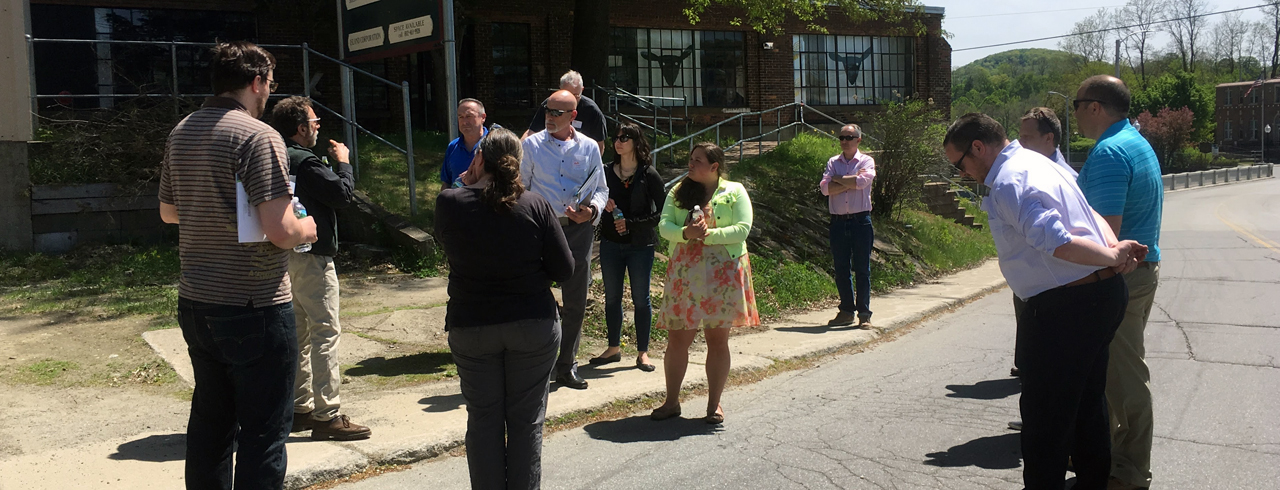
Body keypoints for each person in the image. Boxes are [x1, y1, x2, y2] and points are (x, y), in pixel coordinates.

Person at [944, 112, 1147, 490]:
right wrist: (1113, 248)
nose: (962, 174)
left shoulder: (1007, 182)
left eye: (960, 164)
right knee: (1087, 405)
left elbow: (1056, 241)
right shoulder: (1041, 162)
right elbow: (1091, 214)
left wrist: (1111, 256)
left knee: (1045, 419)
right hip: (1098, 297)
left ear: (978, 147)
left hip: (1066, 306)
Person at [158, 41, 317, 489]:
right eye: (270, 83)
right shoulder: (258, 135)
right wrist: (308, 229)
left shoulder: (183, 130)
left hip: (196, 301)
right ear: (256, 82)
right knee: (264, 434)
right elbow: (282, 230)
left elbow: (169, 211)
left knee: (210, 425)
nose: (270, 92)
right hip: (255, 304)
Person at [435, 127, 574, 490]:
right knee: (526, 422)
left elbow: (448, 245)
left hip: (472, 324)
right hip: (532, 322)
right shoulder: (536, 205)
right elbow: (565, 269)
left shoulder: (451, 202)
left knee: (483, 420)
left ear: (479, 158)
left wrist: (464, 183)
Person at [1074, 75, 1163, 490]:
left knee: (1125, 379)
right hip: (1139, 273)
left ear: (1095, 107)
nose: (1073, 114)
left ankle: (1128, 474)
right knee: (1114, 373)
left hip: (1121, 276)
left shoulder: (1110, 152)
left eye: (1077, 105)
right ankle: (1110, 463)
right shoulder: (1134, 142)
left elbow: (1106, 234)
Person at [265, 96, 370, 441]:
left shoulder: (275, 156)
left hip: (284, 254)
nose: (318, 126)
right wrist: (344, 162)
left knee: (298, 333)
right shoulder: (307, 162)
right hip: (313, 257)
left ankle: (299, 408)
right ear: (300, 128)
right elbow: (342, 194)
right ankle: (328, 414)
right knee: (325, 331)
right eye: (314, 122)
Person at [650, 142, 760, 425]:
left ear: (714, 167)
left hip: (723, 276)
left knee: (717, 340)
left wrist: (706, 235)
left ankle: (714, 405)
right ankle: (671, 402)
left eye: (697, 160)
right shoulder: (677, 192)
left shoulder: (734, 191)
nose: (691, 164)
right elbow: (664, 227)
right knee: (677, 341)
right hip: (685, 275)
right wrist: (685, 232)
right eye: (690, 159)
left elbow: (742, 230)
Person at [520, 89, 609, 390]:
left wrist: (593, 209)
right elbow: (521, 188)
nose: (549, 117)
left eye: (557, 112)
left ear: (573, 116)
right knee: (534, 298)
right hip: (540, 229)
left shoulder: (588, 148)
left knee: (576, 300)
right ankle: (536, 366)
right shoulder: (531, 146)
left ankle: (567, 365)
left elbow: (601, 188)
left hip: (577, 229)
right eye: (547, 111)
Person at [588, 123, 665, 372]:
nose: (618, 142)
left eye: (625, 137)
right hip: (611, 243)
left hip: (640, 245)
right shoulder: (606, 171)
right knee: (612, 298)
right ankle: (613, 348)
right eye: (616, 137)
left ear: (636, 142)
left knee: (641, 299)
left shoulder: (648, 174)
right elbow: (592, 195)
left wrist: (631, 224)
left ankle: (643, 352)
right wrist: (603, 201)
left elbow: (664, 212)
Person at [819, 124, 876, 327]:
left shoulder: (867, 160)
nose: (844, 141)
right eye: (842, 137)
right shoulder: (833, 162)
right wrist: (849, 180)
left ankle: (864, 315)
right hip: (838, 222)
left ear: (858, 140)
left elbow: (862, 182)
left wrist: (838, 180)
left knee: (862, 268)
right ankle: (846, 311)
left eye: (849, 137)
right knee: (841, 268)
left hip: (861, 221)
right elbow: (825, 189)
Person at [522, 70, 608, 154]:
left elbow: (599, 146)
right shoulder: (550, 104)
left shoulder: (592, 111)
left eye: (575, 95)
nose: (571, 99)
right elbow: (532, 132)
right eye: (567, 94)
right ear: (560, 89)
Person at [441, 98, 489, 186]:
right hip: (457, 199)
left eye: (469, 116)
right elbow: (446, 182)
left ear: (483, 117)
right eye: (461, 117)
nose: (464, 122)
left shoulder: (495, 144)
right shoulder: (453, 147)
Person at [1018, 107, 1076, 178]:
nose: (1020, 143)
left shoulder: (1068, 179)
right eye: (1021, 137)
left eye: (1027, 137)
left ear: (1048, 138)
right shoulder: (1022, 174)